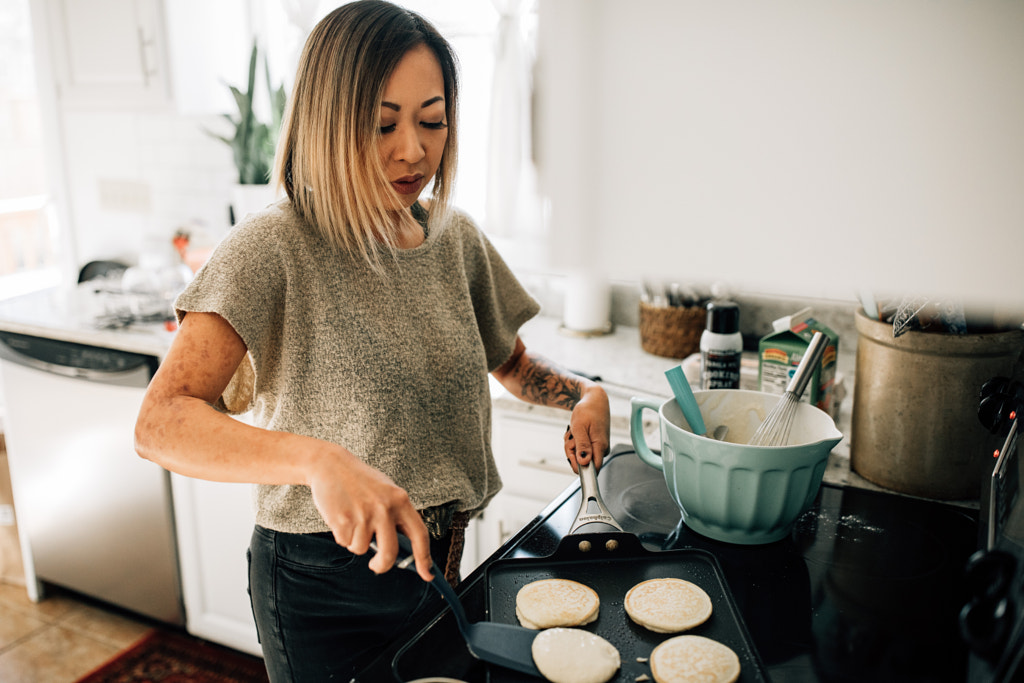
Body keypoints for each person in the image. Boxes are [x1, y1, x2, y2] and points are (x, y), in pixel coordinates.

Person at [134, 1, 610, 680]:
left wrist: (582, 393)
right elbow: (160, 422)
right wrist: (318, 460)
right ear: (326, 121)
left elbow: (512, 362)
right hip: (322, 591)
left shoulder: (456, 240)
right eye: (382, 123)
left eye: (432, 120)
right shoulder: (273, 248)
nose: (412, 149)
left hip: (442, 567)